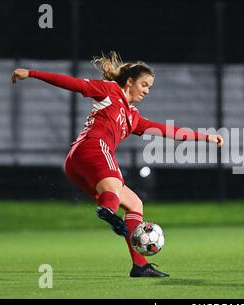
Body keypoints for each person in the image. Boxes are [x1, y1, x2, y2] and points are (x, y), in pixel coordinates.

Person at [11, 52, 224, 277]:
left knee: (134, 204)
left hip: (77, 162)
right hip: (91, 148)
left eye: (150, 87)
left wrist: (205, 137)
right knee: (113, 188)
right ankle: (107, 211)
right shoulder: (109, 91)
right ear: (129, 81)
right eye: (144, 84)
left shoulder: (133, 117)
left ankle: (140, 265)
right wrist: (32, 73)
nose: (146, 90)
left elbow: (166, 131)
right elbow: (73, 84)